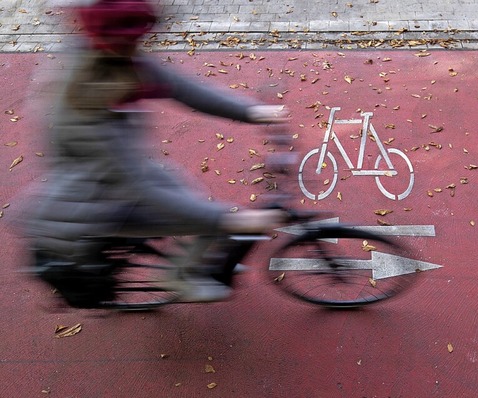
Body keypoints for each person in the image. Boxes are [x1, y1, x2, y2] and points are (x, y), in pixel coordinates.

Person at [25, 0, 287, 307]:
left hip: (119, 170)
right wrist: (231, 223)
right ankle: (179, 275)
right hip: (99, 204)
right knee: (209, 217)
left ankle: (202, 257)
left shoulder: (103, 55)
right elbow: (139, 189)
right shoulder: (82, 109)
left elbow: (179, 86)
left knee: (197, 203)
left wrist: (253, 111)